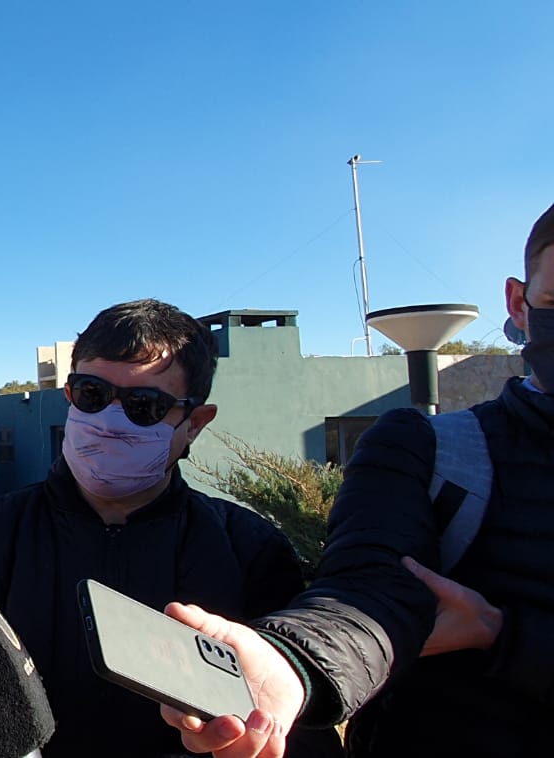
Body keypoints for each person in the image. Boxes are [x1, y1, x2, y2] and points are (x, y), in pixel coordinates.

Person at [160, 201, 554, 758]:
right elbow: (369, 591)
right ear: (518, 302)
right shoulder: (425, 449)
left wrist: (502, 634)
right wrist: (291, 662)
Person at [0, 299, 342, 757]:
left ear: (195, 423)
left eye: (144, 405)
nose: (110, 420)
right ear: (69, 396)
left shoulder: (251, 548)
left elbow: (292, 726)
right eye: (92, 393)